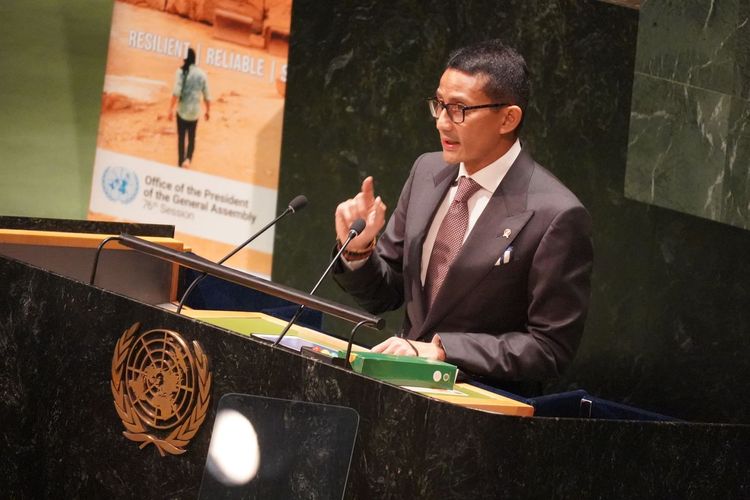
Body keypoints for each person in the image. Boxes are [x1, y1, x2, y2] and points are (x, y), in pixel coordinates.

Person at [332, 40, 593, 395]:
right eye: (439, 104)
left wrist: (443, 350)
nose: (442, 121)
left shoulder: (556, 215)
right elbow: (389, 293)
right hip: (399, 395)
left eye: (459, 109)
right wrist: (359, 251)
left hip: (481, 411)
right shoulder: (427, 171)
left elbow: (550, 350)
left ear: (508, 118)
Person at [168, 48, 210, 168]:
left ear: (185, 59)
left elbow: (176, 92)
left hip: (182, 111)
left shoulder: (180, 72)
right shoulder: (202, 74)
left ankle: (180, 162)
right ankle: (188, 159)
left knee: (181, 138)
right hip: (194, 113)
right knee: (192, 137)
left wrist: (170, 109)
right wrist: (208, 111)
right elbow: (207, 95)